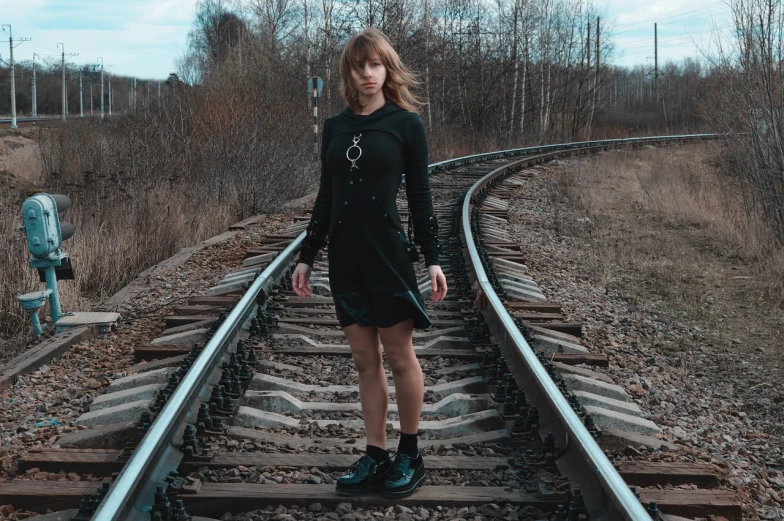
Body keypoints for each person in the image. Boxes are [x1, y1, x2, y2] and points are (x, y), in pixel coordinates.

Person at [291, 27, 448, 499]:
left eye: (375, 64)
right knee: (364, 360)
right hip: (346, 260)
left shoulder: (406, 125)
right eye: (359, 66)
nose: (367, 73)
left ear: (387, 69)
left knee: (399, 356)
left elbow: (420, 197)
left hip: (388, 256)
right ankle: (376, 454)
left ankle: (410, 454)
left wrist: (434, 260)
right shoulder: (336, 127)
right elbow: (326, 195)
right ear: (349, 73)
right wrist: (307, 254)